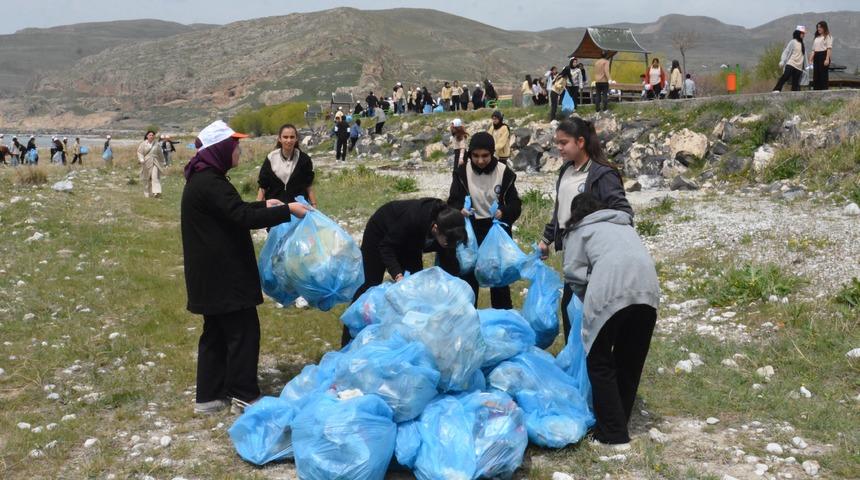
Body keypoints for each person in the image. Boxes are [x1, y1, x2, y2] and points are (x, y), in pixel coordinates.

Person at [181, 119, 311, 415]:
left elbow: (233, 211)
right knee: (243, 331)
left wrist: (266, 206)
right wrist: (287, 209)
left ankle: (209, 396)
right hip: (224, 275)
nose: (238, 151)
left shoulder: (205, 179)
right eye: (234, 146)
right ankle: (244, 394)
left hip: (209, 275)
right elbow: (242, 217)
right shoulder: (211, 184)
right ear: (220, 150)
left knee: (215, 334)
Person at [562, 192, 659, 448]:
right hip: (648, 293)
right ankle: (619, 422)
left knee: (599, 361)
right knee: (630, 360)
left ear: (575, 214)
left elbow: (573, 273)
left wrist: (585, 298)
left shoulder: (580, 230)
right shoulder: (623, 224)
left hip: (610, 293)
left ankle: (612, 435)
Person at [538, 118, 633, 345]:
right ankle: (576, 357)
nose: (559, 148)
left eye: (564, 143)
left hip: (594, 255)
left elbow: (623, 213)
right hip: (572, 252)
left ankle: (589, 358)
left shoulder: (603, 174)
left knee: (586, 311)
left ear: (580, 142)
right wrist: (547, 238)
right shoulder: (566, 170)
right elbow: (561, 210)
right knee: (570, 310)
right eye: (557, 143)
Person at [344, 198, 466, 346]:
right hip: (381, 234)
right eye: (448, 242)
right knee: (370, 283)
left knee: (415, 290)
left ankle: (405, 338)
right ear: (435, 228)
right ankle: (348, 337)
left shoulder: (448, 228)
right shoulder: (413, 218)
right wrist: (398, 275)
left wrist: (454, 290)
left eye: (454, 242)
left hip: (411, 243)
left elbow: (450, 264)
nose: (451, 245)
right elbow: (386, 247)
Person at [447, 131, 521, 309]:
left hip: (495, 230)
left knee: (499, 279)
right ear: (470, 154)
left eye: (485, 156)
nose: (480, 161)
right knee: (468, 275)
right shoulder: (461, 172)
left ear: (492, 153)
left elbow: (515, 204)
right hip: (470, 230)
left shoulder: (504, 172)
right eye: (475, 156)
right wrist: (460, 210)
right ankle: (467, 315)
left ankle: (503, 316)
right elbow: (453, 201)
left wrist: (504, 211)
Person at [257, 123, 317, 208]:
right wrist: (257, 207)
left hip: (298, 208)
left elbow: (308, 185)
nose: (289, 140)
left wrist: (314, 205)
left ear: (296, 139)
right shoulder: (271, 158)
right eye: (285, 137)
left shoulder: (304, 159)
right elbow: (263, 186)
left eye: (292, 137)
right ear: (279, 139)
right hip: (275, 208)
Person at [774, 26, 807, 92]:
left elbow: (803, 56)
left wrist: (805, 67)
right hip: (791, 63)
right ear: (798, 33)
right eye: (802, 33)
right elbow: (786, 51)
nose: (803, 35)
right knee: (785, 76)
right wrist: (782, 61)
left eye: (804, 33)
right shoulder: (793, 42)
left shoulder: (802, 44)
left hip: (799, 67)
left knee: (796, 82)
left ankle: (794, 95)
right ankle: (777, 89)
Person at [137, 130, 165, 198]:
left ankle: (157, 192)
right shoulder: (143, 144)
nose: (151, 136)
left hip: (155, 162)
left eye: (152, 135)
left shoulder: (157, 144)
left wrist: (163, 161)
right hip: (146, 162)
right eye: (150, 135)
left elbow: (160, 153)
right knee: (147, 178)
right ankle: (147, 193)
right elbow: (139, 152)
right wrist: (141, 159)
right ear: (147, 136)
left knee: (155, 177)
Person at [810, 21, 833, 91]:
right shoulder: (816, 38)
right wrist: (810, 59)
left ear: (824, 27)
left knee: (823, 74)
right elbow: (813, 50)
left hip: (824, 55)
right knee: (816, 74)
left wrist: (827, 59)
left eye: (820, 27)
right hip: (816, 56)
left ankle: (824, 90)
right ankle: (816, 90)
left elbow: (829, 48)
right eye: (817, 27)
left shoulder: (827, 36)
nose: (818, 29)